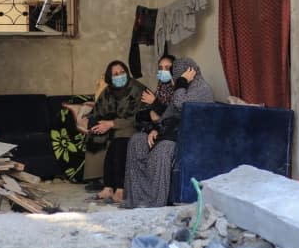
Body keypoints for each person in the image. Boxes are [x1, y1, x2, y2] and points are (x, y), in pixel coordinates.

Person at [124, 57, 213, 208]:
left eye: (176, 77)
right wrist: (155, 129)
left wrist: (181, 82)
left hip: (185, 138)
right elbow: (168, 115)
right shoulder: (182, 89)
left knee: (163, 150)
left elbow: (180, 105)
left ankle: (155, 201)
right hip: (169, 132)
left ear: (190, 73)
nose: (173, 81)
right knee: (137, 140)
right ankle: (137, 198)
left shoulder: (201, 89)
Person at [86, 60, 146, 203]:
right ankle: (107, 187)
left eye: (122, 72)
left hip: (134, 126)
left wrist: (112, 123)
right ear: (110, 77)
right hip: (114, 126)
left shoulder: (137, 89)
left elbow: (138, 116)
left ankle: (120, 188)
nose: (119, 76)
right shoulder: (109, 91)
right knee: (99, 136)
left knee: (119, 143)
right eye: (115, 74)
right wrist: (95, 123)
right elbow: (98, 110)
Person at [137, 54, 176, 129]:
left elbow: (172, 115)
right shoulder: (161, 84)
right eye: (160, 68)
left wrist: (154, 102)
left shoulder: (178, 87)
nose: (163, 71)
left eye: (167, 68)